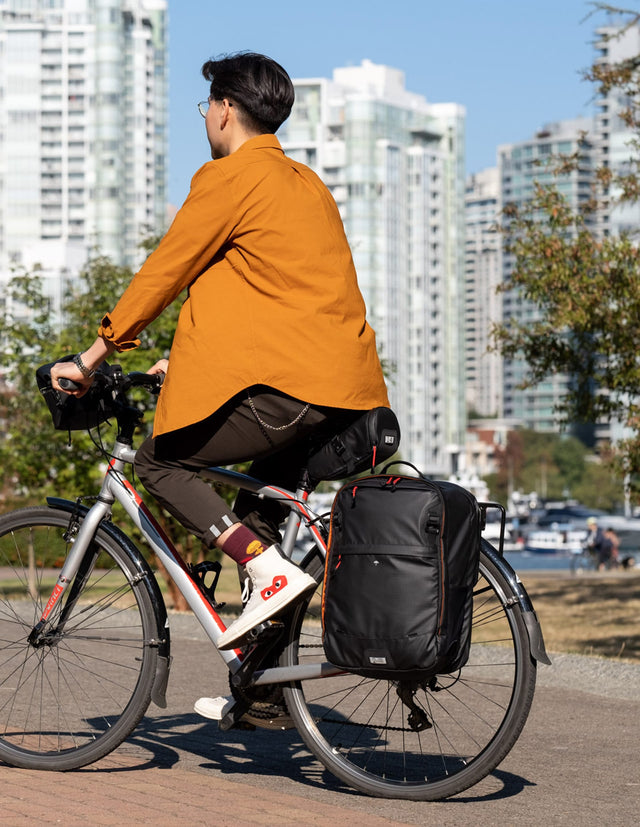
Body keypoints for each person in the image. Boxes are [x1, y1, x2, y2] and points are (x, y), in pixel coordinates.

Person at [50, 53, 389, 658]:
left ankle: (268, 572)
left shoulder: (232, 178)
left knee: (160, 463)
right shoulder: (305, 183)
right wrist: (185, 366)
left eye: (207, 105)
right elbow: (276, 298)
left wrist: (92, 357)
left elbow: (165, 272)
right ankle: (264, 690)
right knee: (256, 513)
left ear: (226, 109)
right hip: (346, 391)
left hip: (292, 391)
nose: (205, 115)